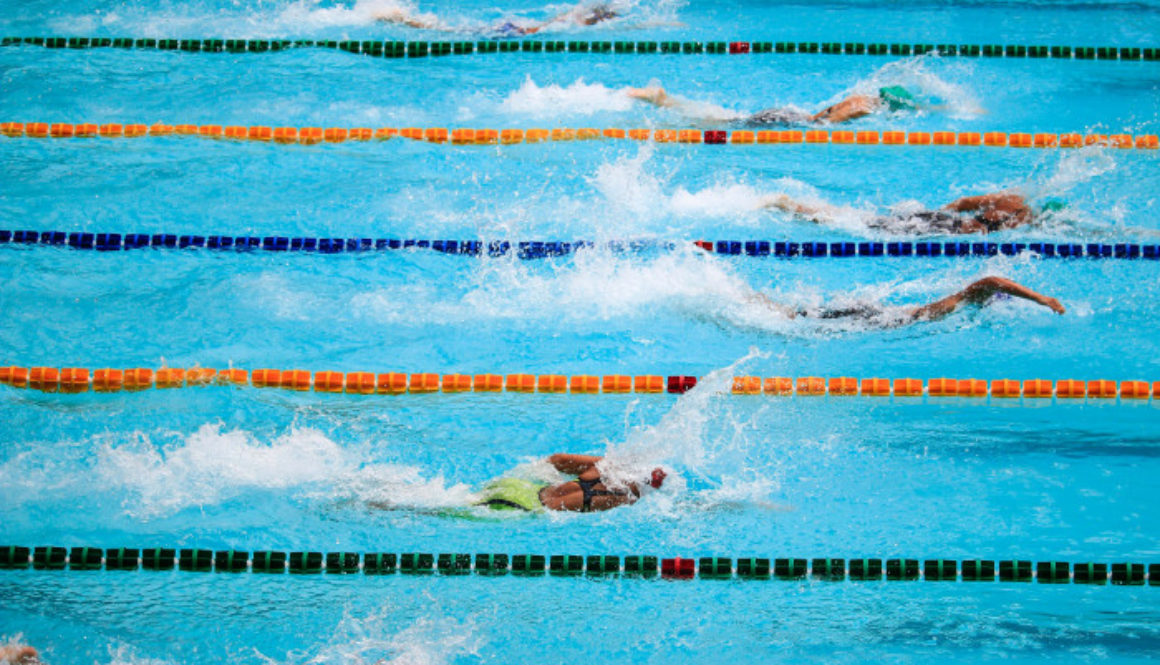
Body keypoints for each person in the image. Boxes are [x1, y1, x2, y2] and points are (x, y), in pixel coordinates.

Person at [747, 276, 1065, 327]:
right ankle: (751, 300)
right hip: (875, 317)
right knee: (793, 318)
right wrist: (1041, 298)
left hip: (877, 315)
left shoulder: (960, 306)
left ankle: (758, 301)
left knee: (799, 315)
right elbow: (990, 281)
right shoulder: (962, 300)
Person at [762, 191, 1066, 235]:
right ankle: (792, 206)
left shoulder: (1010, 198)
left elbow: (962, 203)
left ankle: (798, 206)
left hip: (938, 220)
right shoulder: (1017, 217)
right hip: (940, 229)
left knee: (867, 220)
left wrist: (935, 213)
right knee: (867, 226)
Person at [627, 84, 919, 125]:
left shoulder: (861, 98)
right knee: (725, 124)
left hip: (789, 114)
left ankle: (664, 101)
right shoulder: (863, 107)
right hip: (790, 121)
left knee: (729, 119)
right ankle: (662, 101)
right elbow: (827, 123)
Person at [476, 454, 665, 513]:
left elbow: (559, 460)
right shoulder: (625, 499)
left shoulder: (604, 467)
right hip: (519, 508)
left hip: (517, 486)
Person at [375, 4, 618, 37]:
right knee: (450, 32)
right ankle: (401, 19)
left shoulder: (569, 18)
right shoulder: (574, 24)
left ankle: (403, 19)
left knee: (451, 30)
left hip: (513, 27)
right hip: (512, 32)